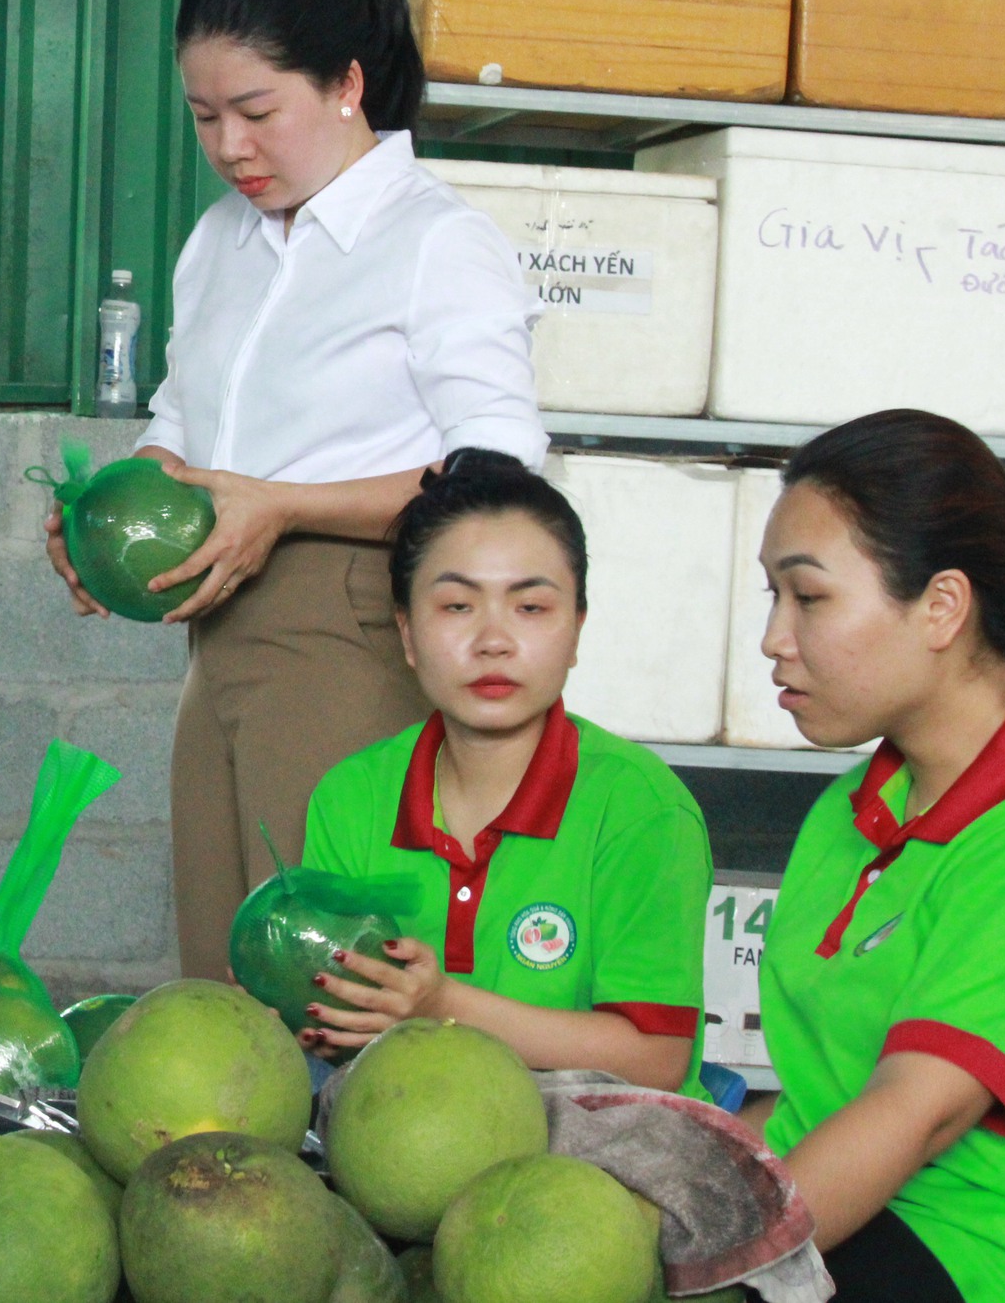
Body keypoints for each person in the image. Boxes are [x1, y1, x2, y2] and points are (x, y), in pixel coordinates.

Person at [45, 0, 545, 977]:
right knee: (222, 960)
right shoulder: (219, 239)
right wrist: (109, 516)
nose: (231, 147)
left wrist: (284, 505)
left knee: (327, 970)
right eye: (203, 116)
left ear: (347, 84)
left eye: (257, 112)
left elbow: (498, 476)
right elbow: (182, 419)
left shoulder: (434, 243)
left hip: (354, 631)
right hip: (220, 637)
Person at [748, 410, 1005, 1303]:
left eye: (809, 597)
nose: (774, 639)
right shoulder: (848, 812)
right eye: (771, 598)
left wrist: (700, 1254)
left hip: (982, 1263)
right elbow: (815, 1101)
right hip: (833, 1225)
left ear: (941, 605)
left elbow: (919, 1108)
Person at [297, 451, 713, 1096]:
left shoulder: (641, 809)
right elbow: (339, 1008)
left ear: (576, 629)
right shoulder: (350, 797)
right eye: (458, 607)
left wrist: (441, 1006)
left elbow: (657, 1057)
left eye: (531, 608)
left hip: (598, 1161)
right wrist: (308, 1006)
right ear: (406, 633)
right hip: (401, 1134)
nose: (493, 640)